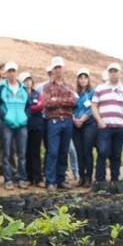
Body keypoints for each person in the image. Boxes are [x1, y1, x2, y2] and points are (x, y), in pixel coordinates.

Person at [42, 56, 78, 191]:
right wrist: (63, 101)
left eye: (60, 67)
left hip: (67, 121)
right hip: (54, 121)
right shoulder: (47, 87)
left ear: (64, 69)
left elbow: (73, 102)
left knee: (64, 151)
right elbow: (46, 104)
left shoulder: (70, 86)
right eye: (56, 68)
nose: (58, 70)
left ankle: (61, 179)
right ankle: (50, 181)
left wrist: (56, 100)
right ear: (53, 70)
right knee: (52, 151)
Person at [92, 63, 123, 184]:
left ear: (119, 73)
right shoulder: (100, 88)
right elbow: (94, 105)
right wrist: (99, 120)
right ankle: (100, 180)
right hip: (105, 127)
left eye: (115, 71)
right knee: (102, 152)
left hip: (119, 127)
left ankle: (115, 180)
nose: (113, 73)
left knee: (116, 154)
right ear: (108, 73)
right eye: (111, 71)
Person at [0, 61, 29, 190]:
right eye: (9, 71)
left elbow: (28, 106)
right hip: (7, 124)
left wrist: (25, 117)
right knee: (7, 152)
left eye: (13, 71)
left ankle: (21, 179)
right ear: (6, 73)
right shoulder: (1, 87)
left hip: (22, 124)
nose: (12, 73)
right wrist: (4, 117)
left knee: (22, 153)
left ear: (17, 72)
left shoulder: (23, 88)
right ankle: (8, 179)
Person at [72, 68, 96, 187]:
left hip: (88, 124)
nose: (83, 80)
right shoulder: (74, 93)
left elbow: (92, 108)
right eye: (80, 78)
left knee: (87, 151)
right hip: (75, 125)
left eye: (85, 77)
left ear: (88, 79)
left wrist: (82, 119)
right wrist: (74, 118)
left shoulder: (93, 92)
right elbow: (70, 106)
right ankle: (81, 176)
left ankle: (88, 177)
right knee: (79, 151)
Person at [21, 72, 44, 188]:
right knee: (26, 153)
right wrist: (32, 108)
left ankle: (38, 178)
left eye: (29, 80)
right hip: (24, 126)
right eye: (25, 80)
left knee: (35, 153)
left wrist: (30, 108)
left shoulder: (37, 94)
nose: (27, 82)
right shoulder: (20, 94)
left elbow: (41, 106)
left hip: (37, 127)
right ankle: (28, 178)